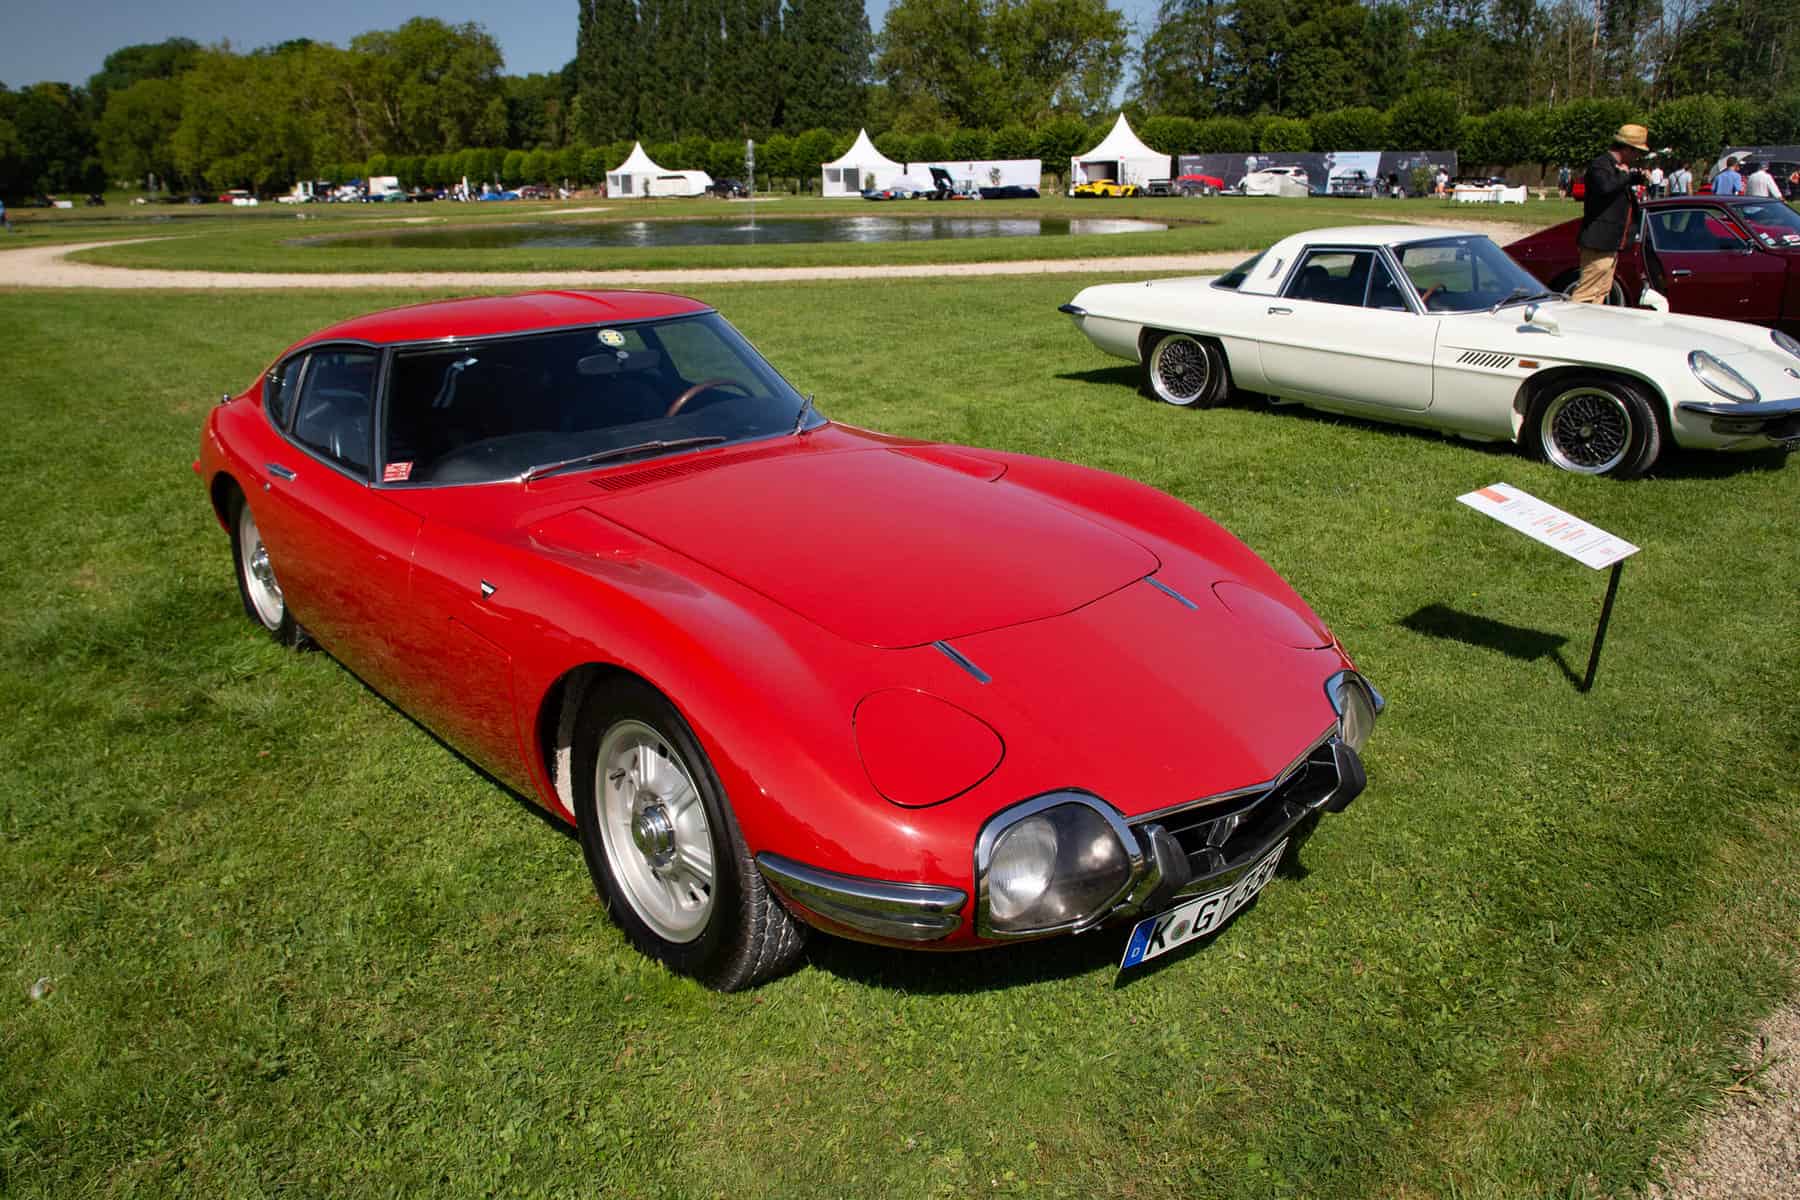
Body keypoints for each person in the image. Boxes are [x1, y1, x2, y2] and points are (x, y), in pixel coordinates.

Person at [1571, 123, 1648, 304]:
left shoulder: (1617, 168)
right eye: (1637, 152)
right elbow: (1605, 188)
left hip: (1610, 243)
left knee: (1601, 292)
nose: (1638, 157)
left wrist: (1634, 177)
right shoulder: (1601, 165)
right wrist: (1626, 176)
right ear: (1627, 148)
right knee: (1586, 293)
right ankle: (1571, 326)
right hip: (1598, 242)